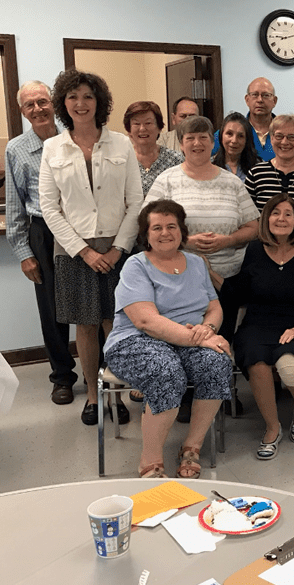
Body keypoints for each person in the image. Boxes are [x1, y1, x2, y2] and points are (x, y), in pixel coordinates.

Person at [38, 68, 143, 425]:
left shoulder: (122, 144)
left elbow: (136, 202)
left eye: (87, 96)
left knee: (116, 322)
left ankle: (117, 392)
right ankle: (94, 397)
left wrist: (117, 250)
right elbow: (49, 208)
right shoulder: (52, 148)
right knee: (85, 325)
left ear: (99, 102)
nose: (80, 103)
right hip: (73, 250)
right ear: (63, 103)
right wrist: (84, 251)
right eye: (72, 97)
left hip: (117, 247)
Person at [102, 199, 232, 478]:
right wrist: (198, 339)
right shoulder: (135, 266)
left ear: (182, 230)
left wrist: (208, 328)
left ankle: (191, 447)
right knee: (166, 371)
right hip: (135, 341)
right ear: (145, 234)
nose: (165, 233)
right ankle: (150, 459)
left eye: (171, 226)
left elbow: (214, 306)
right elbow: (145, 320)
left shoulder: (197, 263)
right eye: (157, 227)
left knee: (217, 363)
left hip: (189, 337)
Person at [223, 194, 294, 460]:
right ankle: (272, 428)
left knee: (289, 365)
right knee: (257, 363)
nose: (281, 219)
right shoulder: (255, 249)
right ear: (265, 218)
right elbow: (239, 290)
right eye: (275, 213)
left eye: (287, 214)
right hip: (259, 322)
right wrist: (208, 274)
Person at [5, 80, 77, 404]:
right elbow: (13, 204)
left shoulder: (74, 139)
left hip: (80, 230)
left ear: (54, 104)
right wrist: (24, 251)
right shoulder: (16, 149)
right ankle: (62, 376)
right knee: (52, 310)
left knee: (94, 303)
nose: (38, 109)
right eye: (30, 105)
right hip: (43, 232)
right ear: (22, 111)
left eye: (43, 102)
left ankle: (100, 370)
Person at [145, 115, 260, 291]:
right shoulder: (166, 180)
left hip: (228, 279)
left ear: (213, 143)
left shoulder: (233, 182)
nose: (197, 143)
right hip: (178, 277)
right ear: (181, 145)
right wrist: (184, 241)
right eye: (190, 138)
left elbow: (253, 228)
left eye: (203, 138)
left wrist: (228, 240)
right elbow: (146, 226)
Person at [244, 113, 294, 225]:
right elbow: (247, 219)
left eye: (291, 137)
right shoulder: (256, 174)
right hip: (264, 241)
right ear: (271, 139)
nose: (285, 142)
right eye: (279, 136)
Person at [124, 100, 182, 195]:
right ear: (129, 129)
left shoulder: (176, 159)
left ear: (159, 127)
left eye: (148, 123)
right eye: (136, 124)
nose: (142, 128)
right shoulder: (121, 160)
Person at [211, 77, 277, 160]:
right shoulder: (229, 133)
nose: (260, 100)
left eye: (266, 95)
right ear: (247, 99)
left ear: (274, 101)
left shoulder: (285, 132)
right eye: (255, 95)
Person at [211, 111, 258, 182]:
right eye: (229, 134)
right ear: (221, 135)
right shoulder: (209, 166)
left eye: (240, 136)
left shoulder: (258, 167)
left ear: (247, 139)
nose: (234, 140)